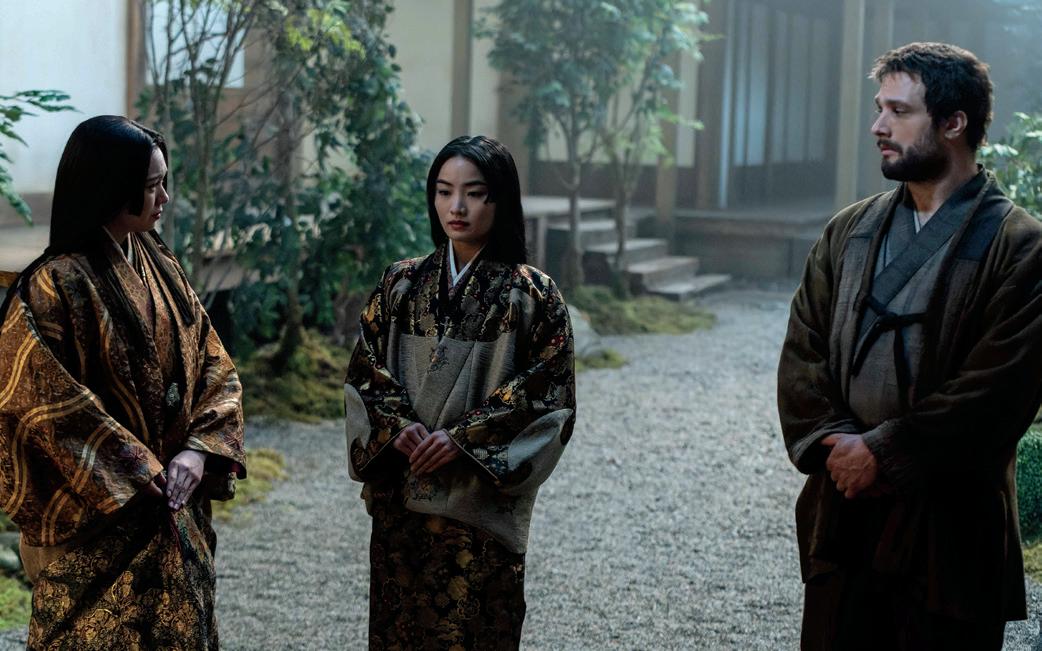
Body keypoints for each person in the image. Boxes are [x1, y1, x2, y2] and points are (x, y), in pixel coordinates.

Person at [777, 42, 1042, 650]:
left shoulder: (1020, 246)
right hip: (843, 510)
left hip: (951, 526)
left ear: (954, 123)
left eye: (898, 111)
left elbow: (997, 391)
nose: (878, 126)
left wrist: (884, 452)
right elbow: (802, 351)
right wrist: (836, 443)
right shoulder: (850, 230)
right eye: (879, 108)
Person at [0, 116, 245, 649]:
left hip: (178, 494)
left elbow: (212, 358)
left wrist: (198, 450)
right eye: (152, 185)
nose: (165, 197)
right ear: (109, 187)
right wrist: (136, 469)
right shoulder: (54, 284)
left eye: (164, 181)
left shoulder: (159, 260)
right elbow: (41, 404)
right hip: (100, 515)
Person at [344, 135, 576, 649]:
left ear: (501, 199)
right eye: (444, 191)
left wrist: (462, 440)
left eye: (474, 193)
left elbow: (548, 397)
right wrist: (397, 427)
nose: (457, 207)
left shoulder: (533, 295)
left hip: (479, 506)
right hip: (404, 497)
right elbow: (364, 372)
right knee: (399, 628)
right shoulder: (400, 284)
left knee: (476, 629)